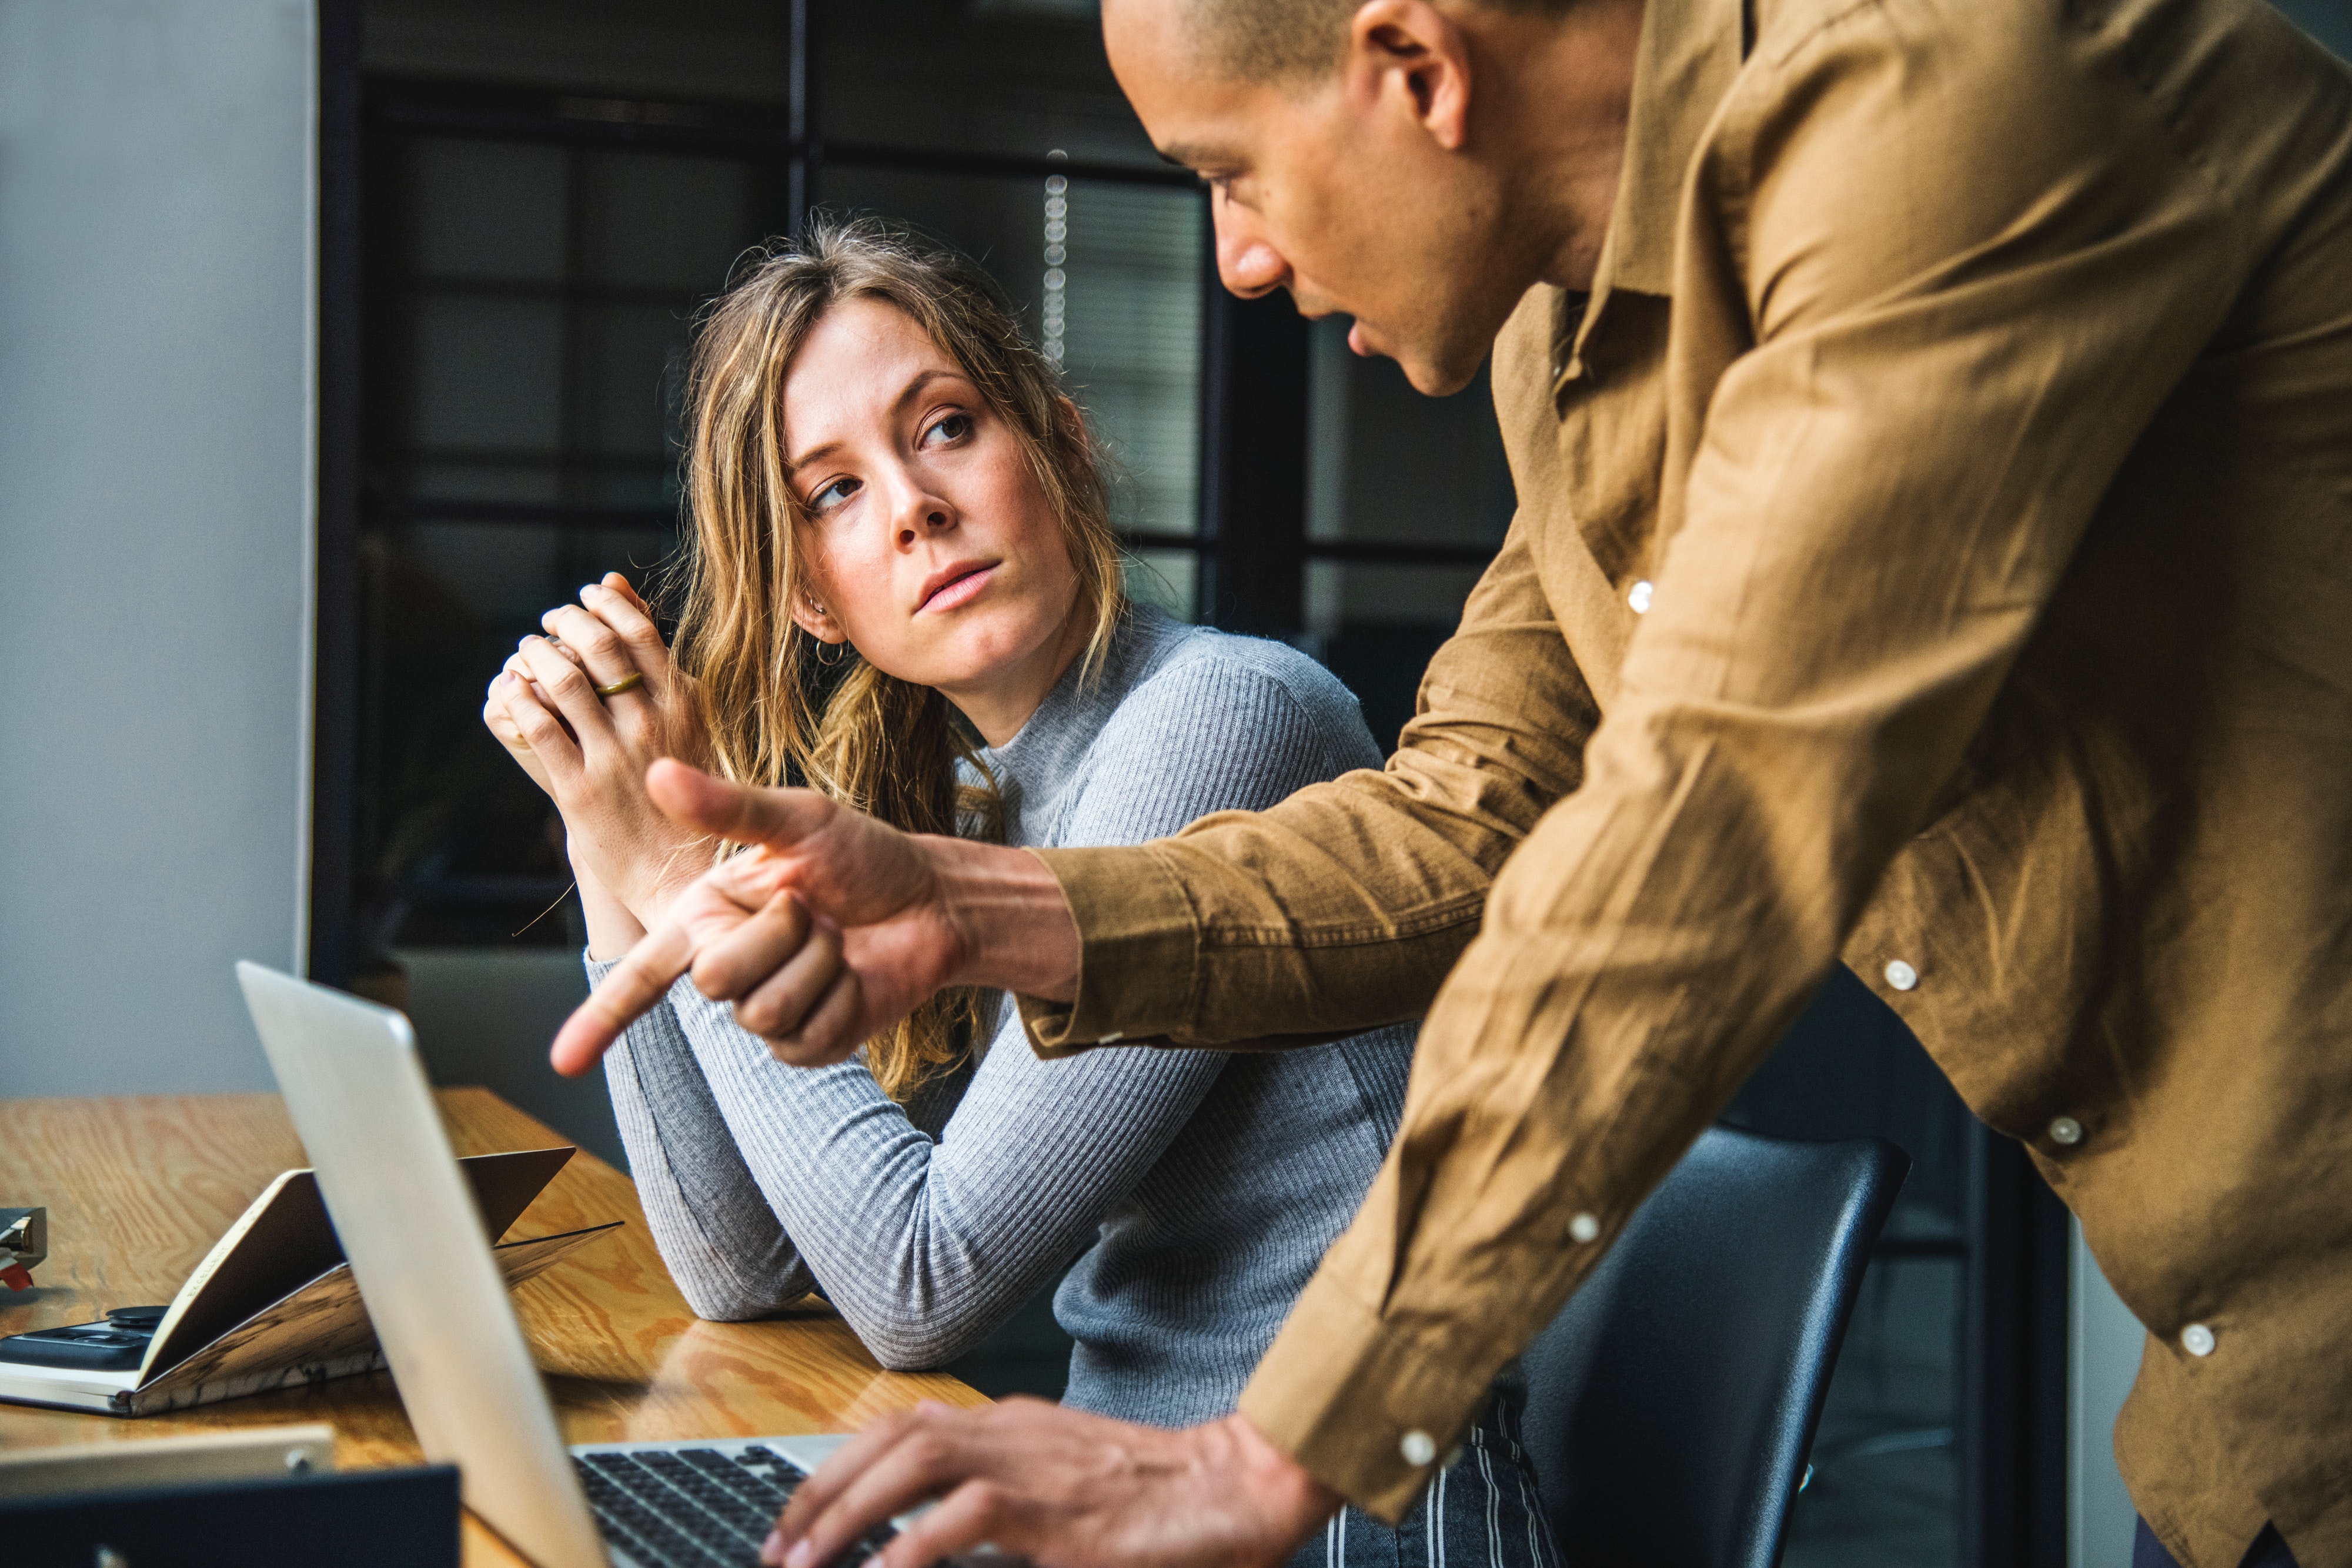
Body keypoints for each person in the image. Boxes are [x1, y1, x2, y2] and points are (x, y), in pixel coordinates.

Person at [557, 0, 2352, 1564]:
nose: (1241, 259)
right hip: (2242, 1403)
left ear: (1412, 65)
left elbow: (1709, 825)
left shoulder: (1941, 112)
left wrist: (1280, 1449)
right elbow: (1463, 820)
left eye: (1228, 171)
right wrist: (961, 906)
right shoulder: (1566, 350)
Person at [484, 219, 1559, 1568]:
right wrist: (610, 839)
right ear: (816, 602)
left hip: (1341, 1523)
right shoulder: (968, 793)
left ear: (1055, 440)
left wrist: (681, 876)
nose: (911, 507)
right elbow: (739, 1271)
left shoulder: (1222, 717)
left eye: (941, 428)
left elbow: (916, 1280)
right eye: (832, 494)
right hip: (1120, 1508)